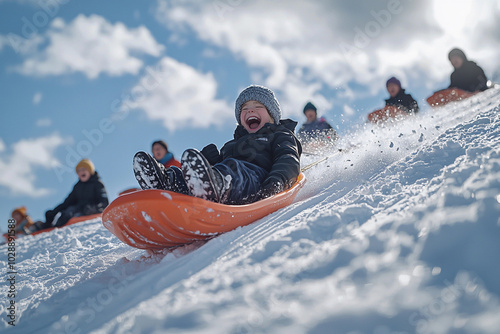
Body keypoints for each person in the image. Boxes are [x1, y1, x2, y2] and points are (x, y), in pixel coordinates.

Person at [133, 85, 302, 205]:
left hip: (258, 181)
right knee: (214, 167)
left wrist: (276, 182)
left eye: (258, 106)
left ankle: (216, 185)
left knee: (234, 168)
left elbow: (288, 159)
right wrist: (209, 161)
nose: (250, 111)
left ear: (273, 115)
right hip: (228, 179)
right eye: (245, 109)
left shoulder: (281, 135)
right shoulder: (232, 144)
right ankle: (169, 185)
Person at [39, 159, 109, 229]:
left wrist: (94, 209)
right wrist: (53, 212)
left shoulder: (98, 184)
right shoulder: (77, 187)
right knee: (66, 213)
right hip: (75, 211)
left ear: (90, 171)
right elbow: (67, 202)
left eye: (84, 169)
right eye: (79, 171)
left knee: (72, 211)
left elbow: (104, 202)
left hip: (90, 213)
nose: (81, 172)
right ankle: (51, 227)